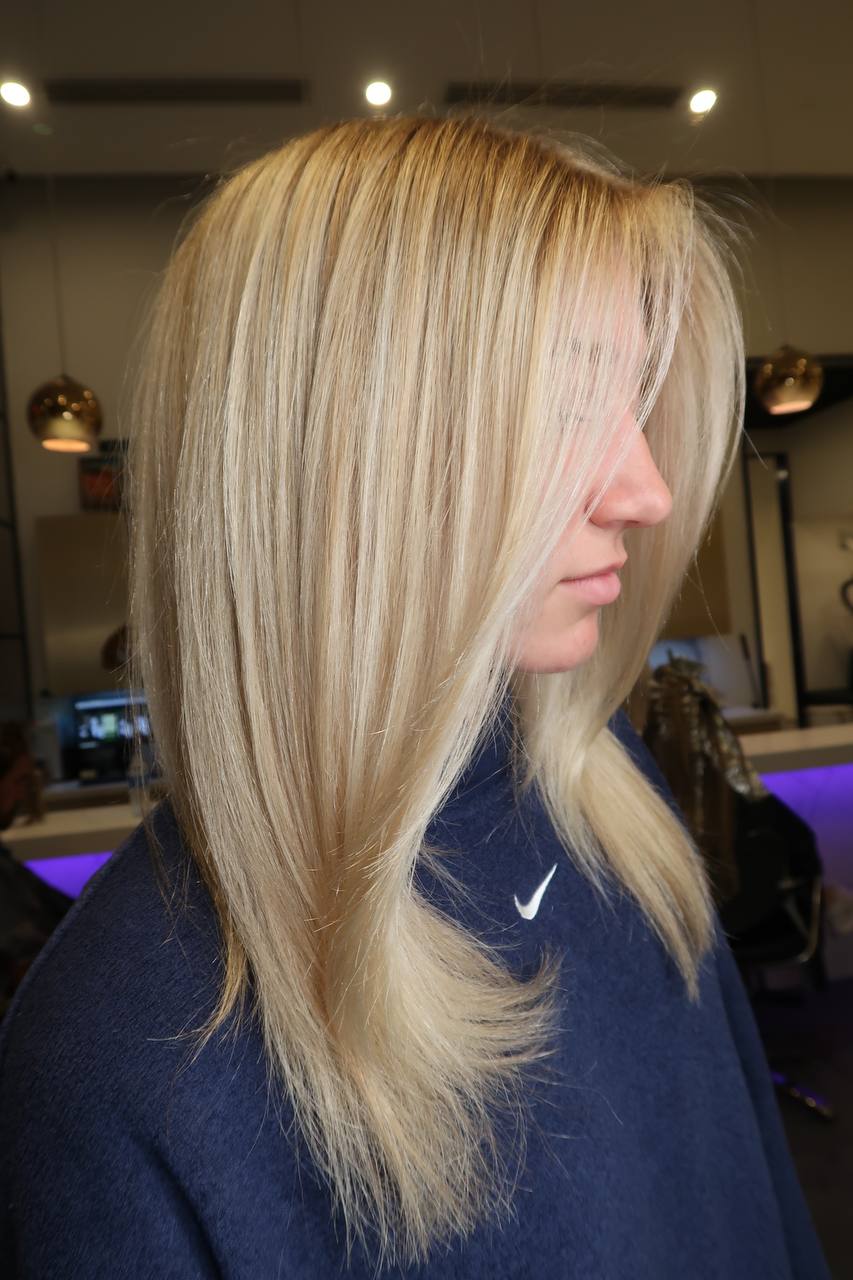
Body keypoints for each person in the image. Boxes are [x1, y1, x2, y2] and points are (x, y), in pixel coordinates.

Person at [0, 114, 831, 1278]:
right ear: (337, 454)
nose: (644, 490)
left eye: (631, 400)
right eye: (561, 404)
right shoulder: (115, 1058)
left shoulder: (600, 785)